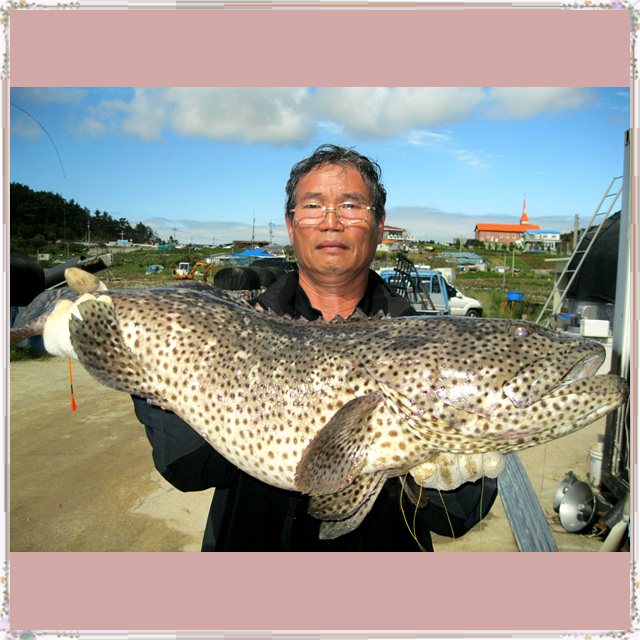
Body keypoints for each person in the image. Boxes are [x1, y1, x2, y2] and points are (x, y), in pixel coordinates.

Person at [132, 144, 500, 551]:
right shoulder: (229, 330)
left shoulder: (438, 349)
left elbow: (457, 518)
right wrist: (153, 367)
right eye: (312, 206)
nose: (331, 222)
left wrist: (453, 480)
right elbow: (187, 469)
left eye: (351, 206)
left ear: (379, 227)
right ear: (291, 226)